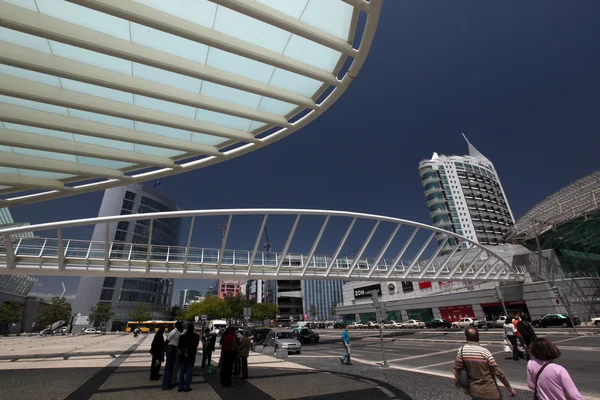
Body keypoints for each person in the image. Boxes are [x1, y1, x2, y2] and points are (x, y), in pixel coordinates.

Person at [453, 328, 517, 400]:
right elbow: (498, 372)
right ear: (478, 337)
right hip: (491, 392)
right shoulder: (485, 352)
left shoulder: (461, 351)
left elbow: (457, 368)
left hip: (475, 391)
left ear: (466, 338)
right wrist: (509, 388)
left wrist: (459, 384)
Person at [178, 323, 200, 392]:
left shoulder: (182, 336)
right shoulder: (196, 336)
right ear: (193, 328)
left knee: (181, 371)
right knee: (189, 371)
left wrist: (184, 351)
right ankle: (187, 386)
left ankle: (181, 386)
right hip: (191, 355)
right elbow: (196, 345)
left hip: (183, 355)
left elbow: (179, 346)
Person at [162, 321, 183, 390]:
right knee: (169, 368)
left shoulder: (178, 332)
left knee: (171, 368)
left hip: (174, 349)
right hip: (171, 348)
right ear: (177, 325)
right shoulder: (174, 332)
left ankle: (169, 383)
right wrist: (166, 348)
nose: (181, 326)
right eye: (180, 325)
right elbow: (167, 340)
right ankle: (165, 385)